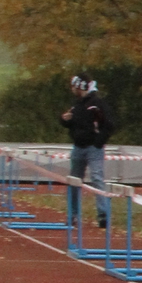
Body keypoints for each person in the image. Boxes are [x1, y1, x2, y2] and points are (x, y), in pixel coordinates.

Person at [61, 74, 113, 228]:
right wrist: (64, 120)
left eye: (74, 87)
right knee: (74, 182)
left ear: (81, 86)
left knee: (97, 179)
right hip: (78, 147)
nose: (72, 90)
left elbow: (109, 125)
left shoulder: (97, 104)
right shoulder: (77, 105)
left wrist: (98, 142)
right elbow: (73, 124)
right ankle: (73, 215)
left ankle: (103, 215)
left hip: (93, 149)